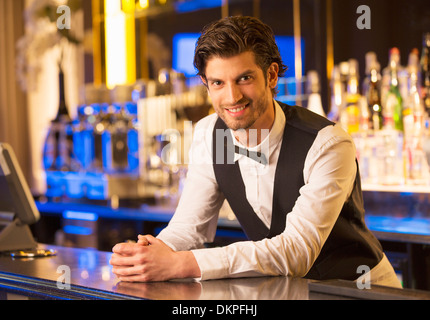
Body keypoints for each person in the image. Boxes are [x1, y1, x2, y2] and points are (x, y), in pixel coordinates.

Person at [110, 16, 401, 288]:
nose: (232, 97)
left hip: (360, 289)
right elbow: (189, 228)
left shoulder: (326, 144)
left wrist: (183, 264)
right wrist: (147, 254)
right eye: (218, 83)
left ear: (271, 75)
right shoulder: (214, 135)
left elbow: (296, 252)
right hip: (289, 290)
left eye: (244, 79)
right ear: (206, 85)